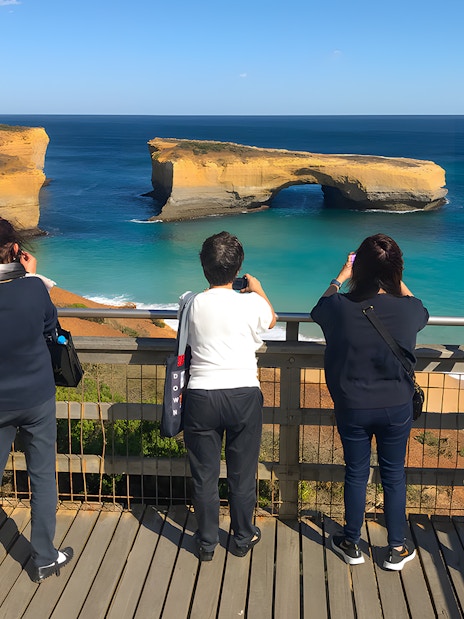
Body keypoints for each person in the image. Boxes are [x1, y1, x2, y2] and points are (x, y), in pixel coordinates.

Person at [310, 233, 428, 571]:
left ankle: (351, 542)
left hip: (353, 406)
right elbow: (419, 307)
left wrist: (342, 276)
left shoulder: (339, 308)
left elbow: (319, 307)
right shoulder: (409, 310)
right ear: (395, 270)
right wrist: (396, 278)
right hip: (396, 406)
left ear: (358, 266)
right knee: (394, 475)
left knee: (357, 473)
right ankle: (396, 548)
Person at [182, 231, 276, 561]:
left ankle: (207, 543)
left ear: (204, 267)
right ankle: (242, 537)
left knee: (204, 475)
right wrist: (258, 289)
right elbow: (271, 320)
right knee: (242, 473)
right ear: (238, 270)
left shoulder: (190, 303)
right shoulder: (250, 303)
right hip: (243, 395)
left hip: (201, 395)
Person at [0, 218, 73, 582]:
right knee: (43, 477)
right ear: (15, 251)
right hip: (36, 395)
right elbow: (51, 329)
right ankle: (45, 557)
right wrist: (32, 276)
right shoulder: (32, 289)